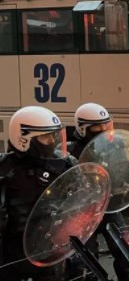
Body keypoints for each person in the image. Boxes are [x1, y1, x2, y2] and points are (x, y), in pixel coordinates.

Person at [0, 106, 76, 280]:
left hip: (51, 252)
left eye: (52, 135)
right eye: (44, 136)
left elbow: (83, 201)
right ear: (23, 139)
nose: (51, 141)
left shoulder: (64, 165)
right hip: (11, 257)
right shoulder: (5, 170)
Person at [67, 103, 129, 281]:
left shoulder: (113, 145)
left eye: (105, 124)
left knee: (125, 253)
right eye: (97, 126)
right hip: (84, 213)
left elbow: (126, 170)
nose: (103, 129)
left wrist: (126, 181)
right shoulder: (71, 152)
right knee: (87, 261)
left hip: (110, 205)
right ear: (83, 128)